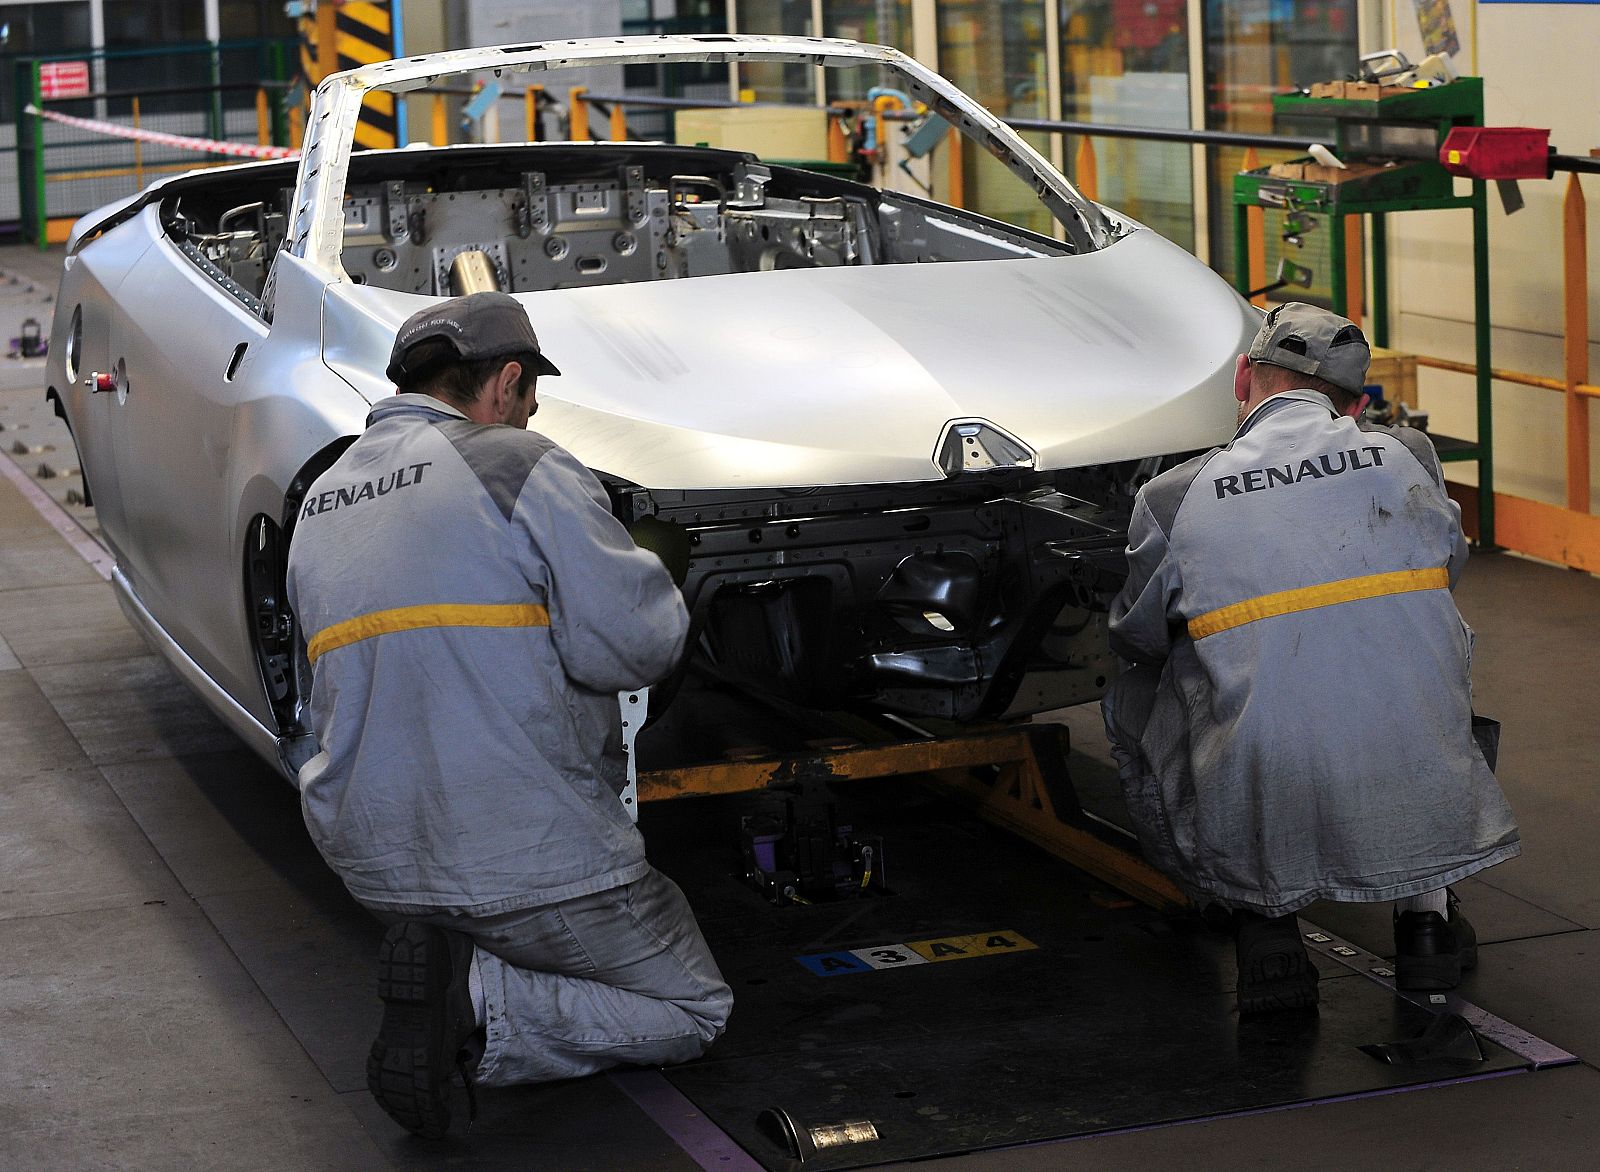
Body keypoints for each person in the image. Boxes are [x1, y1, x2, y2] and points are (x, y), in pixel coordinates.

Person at [285, 291, 732, 1136]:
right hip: (526, 863)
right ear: (507, 384)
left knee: (482, 915)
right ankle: (477, 1002)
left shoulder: (321, 497)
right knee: (691, 1004)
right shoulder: (517, 463)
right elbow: (627, 648)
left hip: (373, 861)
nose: (528, 416)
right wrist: (657, 580)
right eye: (529, 400)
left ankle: (455, 966)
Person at [1102, 302, 1519, 1015]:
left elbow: (1138, 633)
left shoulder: (1173, 496)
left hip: (1271, 760)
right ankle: (1427, 923)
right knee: (1411, 643)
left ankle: (1260, 921)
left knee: (1146, 687)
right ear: (1356, 404)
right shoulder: (1408, 457)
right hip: (1414, 745)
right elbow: (1446, 565)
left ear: (1242, 379)